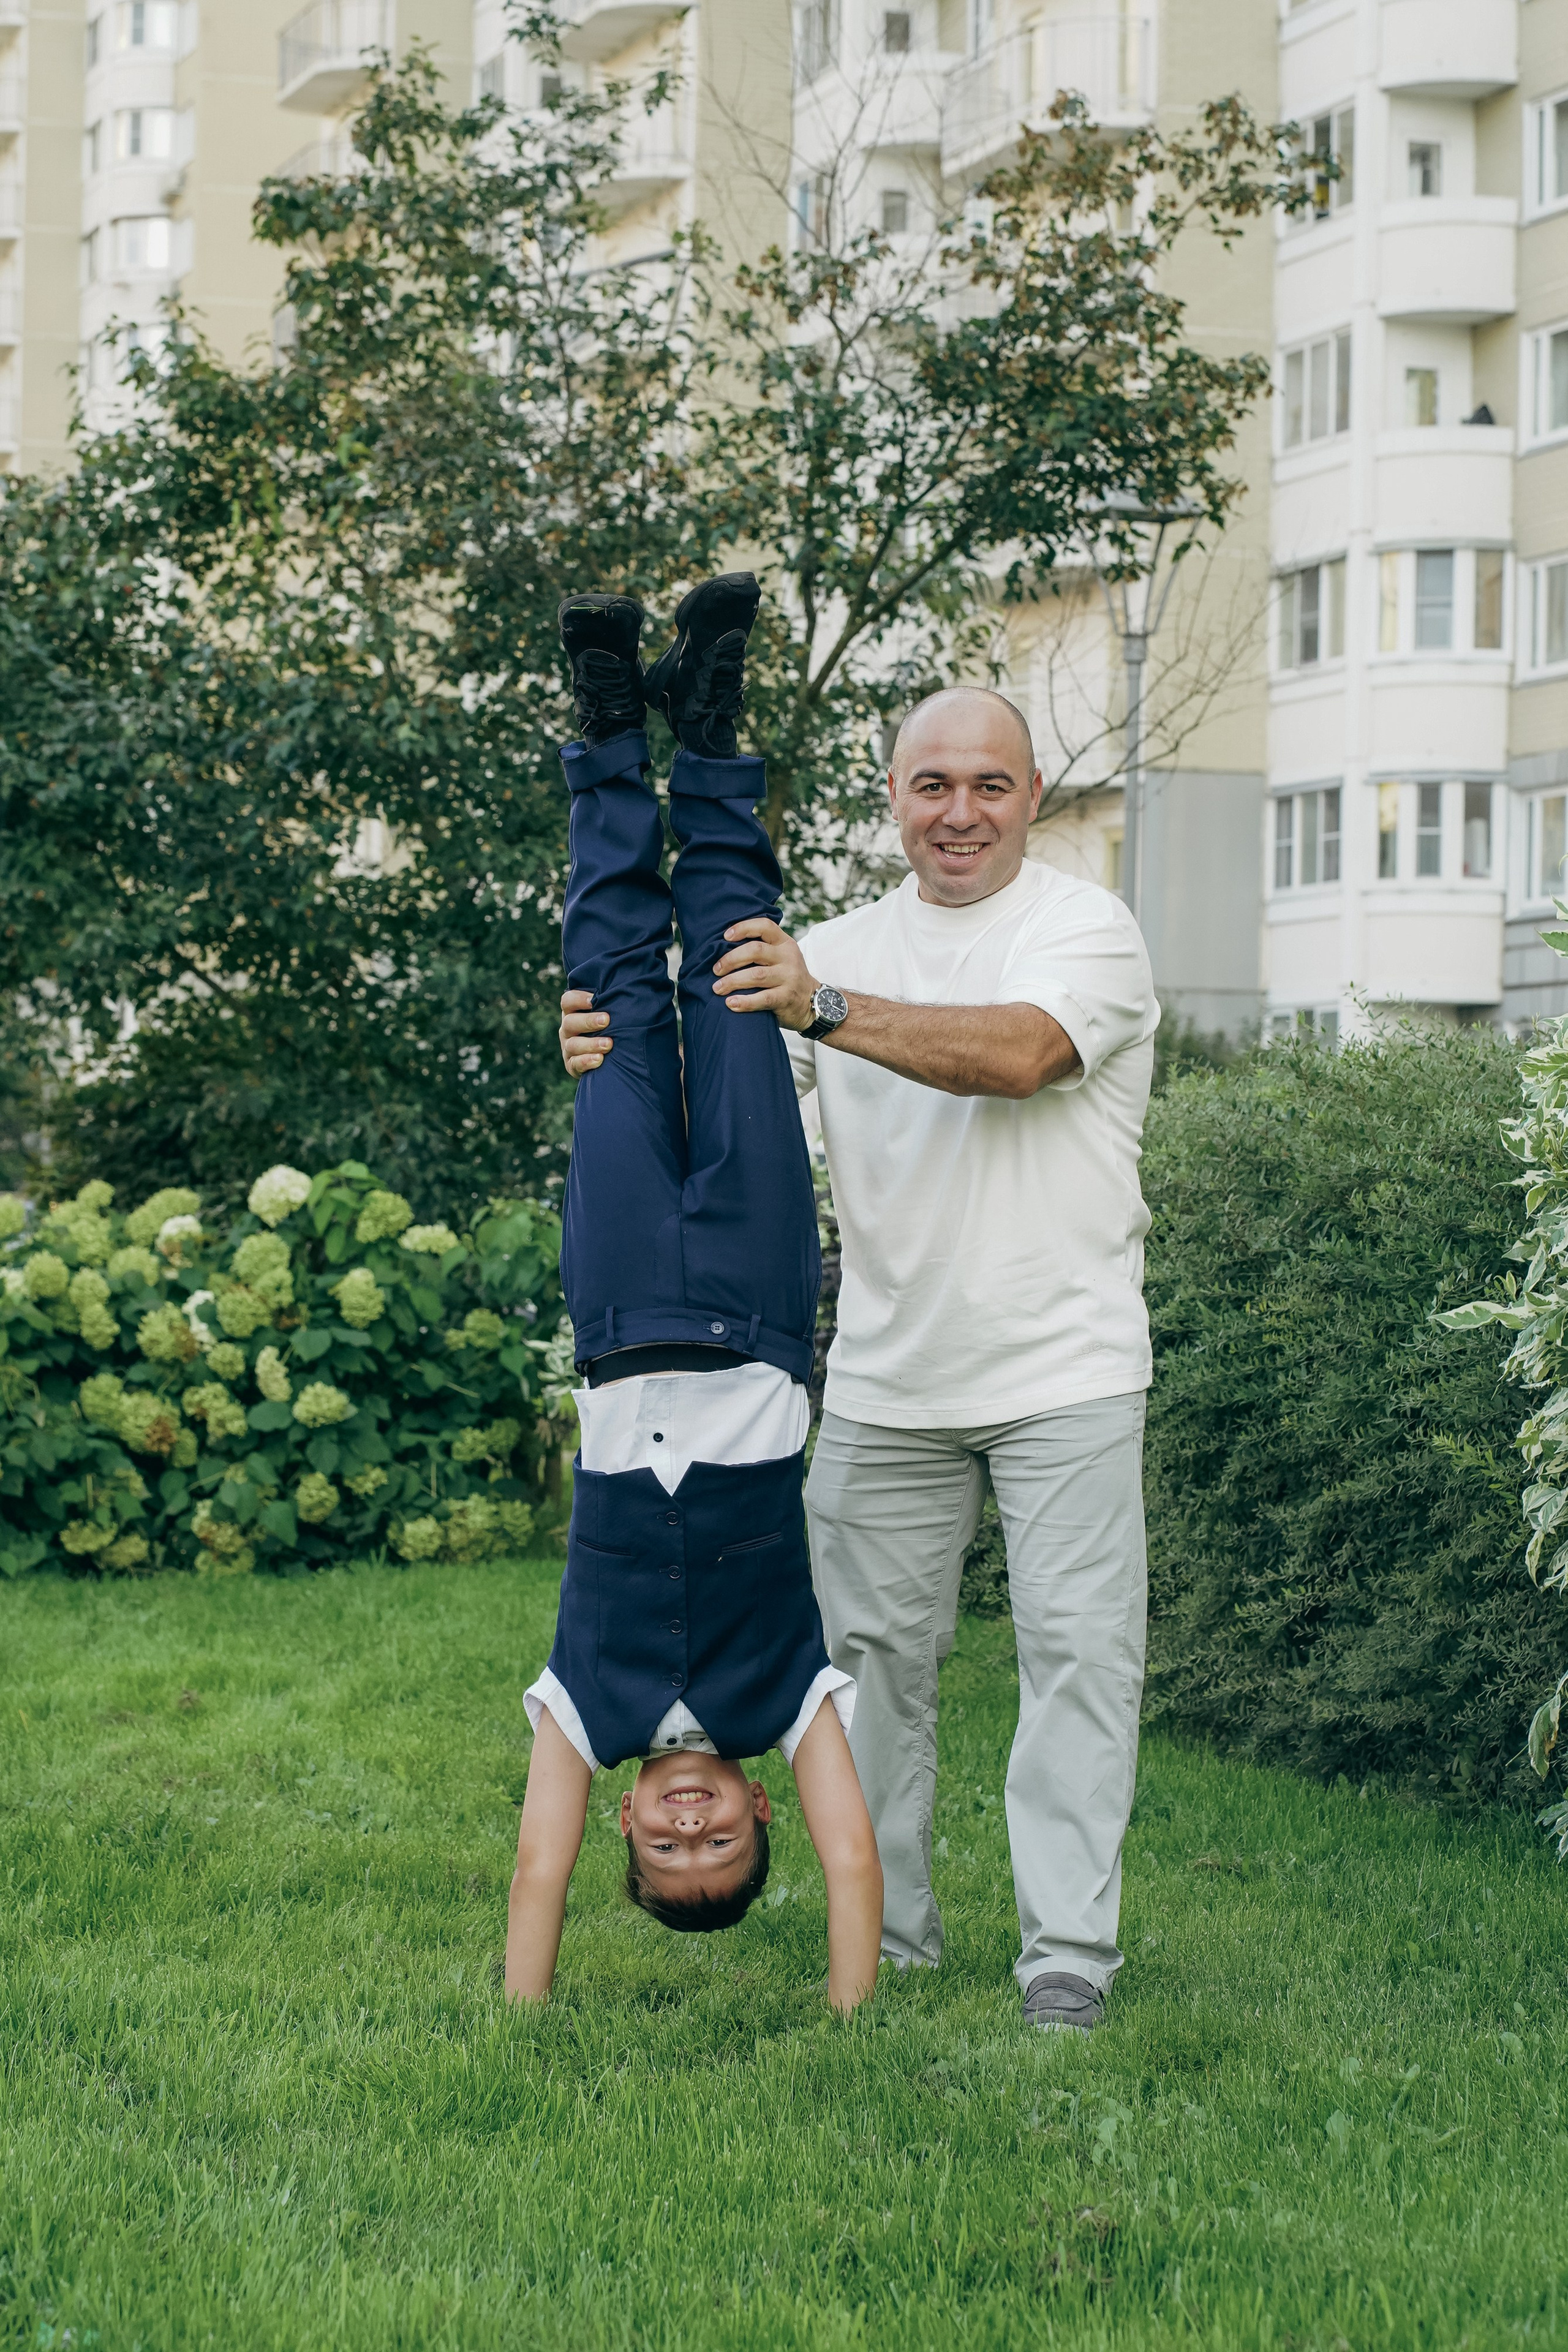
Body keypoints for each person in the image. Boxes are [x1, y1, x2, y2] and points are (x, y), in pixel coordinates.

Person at [560, 682, 1158, 2035]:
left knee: (1076, 1662)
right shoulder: (826, 941)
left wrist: (820, 1005)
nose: (959, 813)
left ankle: (1066, 1957)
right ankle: (888, 1934)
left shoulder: (1082, 930)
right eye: (931, 785)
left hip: (1066, 1365)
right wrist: (591, 1049)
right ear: (894, 796)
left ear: (1032, 797)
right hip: (886, 1380)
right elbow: (702, 1112)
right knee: (866, 1676)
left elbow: (1018, 1056)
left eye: (989, 787)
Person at [504, 574, 883, 2015]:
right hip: (753, 1295)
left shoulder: (577, 1708)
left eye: (667, 1850)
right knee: (733, 990)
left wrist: (521, 2026)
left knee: (607, 1005)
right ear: (757, 1809)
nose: (685, 1825)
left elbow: (533, 1880)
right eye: (715, 1838)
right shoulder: (789, 1694)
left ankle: (607, 730)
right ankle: (712, 724)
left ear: (623, 1824)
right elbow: (855, 1868)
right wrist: (849, 2030)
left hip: (612, 1314)